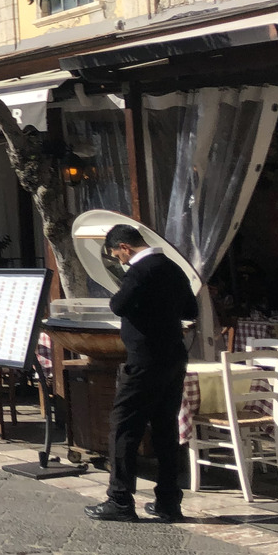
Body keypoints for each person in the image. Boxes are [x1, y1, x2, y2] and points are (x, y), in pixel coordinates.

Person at [86, 224, 199, 524]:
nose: (119, 261)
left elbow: (118, 305)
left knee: (124, 427)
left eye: (117, 255)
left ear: (124, 247)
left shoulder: (139, 270)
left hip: (144, 359)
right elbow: (190, 309)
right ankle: (168, 501)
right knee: (165, 429)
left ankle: (120, 500)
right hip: (173, 357)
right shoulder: (172, 267)